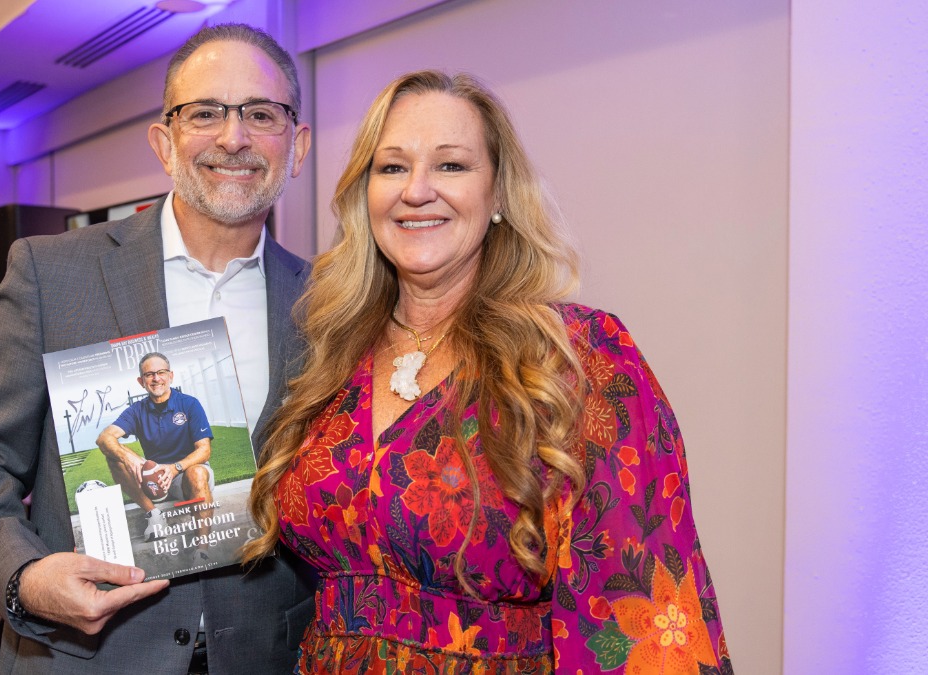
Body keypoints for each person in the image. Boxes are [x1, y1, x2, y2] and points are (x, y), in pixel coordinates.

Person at [245, 70, 733, 674]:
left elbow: (639, 620)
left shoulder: (579, 357)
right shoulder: (330, 351)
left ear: (499, 194)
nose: (417, 190)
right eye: (391, 167)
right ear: (362, 194)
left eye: (451, 166)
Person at [0, 23, 315, 674]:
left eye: (260, 113)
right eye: (205, 113)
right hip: (81, 655)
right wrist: (25, 576)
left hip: (267, 655)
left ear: (297, 146)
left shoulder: (329, 304)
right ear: (164, 143)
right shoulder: (51, 273)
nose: (234, 137)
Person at [96, 352, 215, 525]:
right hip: (155, 479)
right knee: (114, 457)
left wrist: (175, 468)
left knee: (196, 472)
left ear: (170, 376)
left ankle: (203, 550)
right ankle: (154, 515)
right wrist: (129, 459)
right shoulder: (137, 410)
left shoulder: (189, 404)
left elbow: (204, 450)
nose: (156, 378)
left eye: (161, 372)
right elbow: (104, 438)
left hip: (187, 474)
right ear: (141, 381)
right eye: (149, 374)